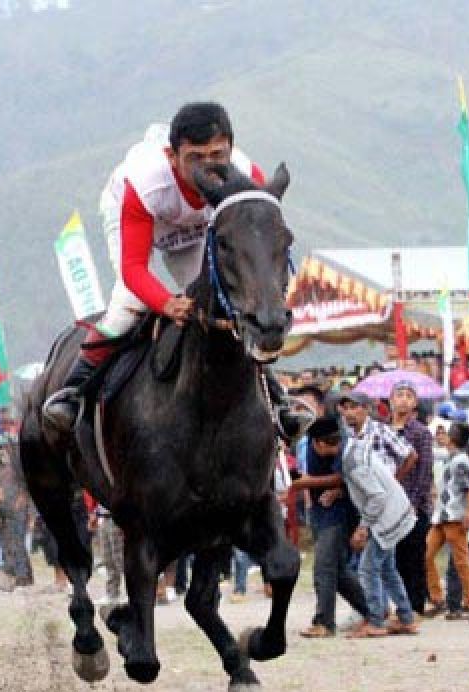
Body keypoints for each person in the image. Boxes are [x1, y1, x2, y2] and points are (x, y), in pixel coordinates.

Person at [42, 102, 310, 439]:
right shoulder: (145, 184)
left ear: (231, 147)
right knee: (128, 308)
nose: (209, 167)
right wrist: (165, 302)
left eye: (218, 154)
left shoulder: (246, 176)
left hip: (199, 229)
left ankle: (278, 400)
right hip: (145, 219)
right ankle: (73, 393)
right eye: (195, 158)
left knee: (225, 303)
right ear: (172, 156)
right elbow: (133, 268)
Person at [338, 394, 419, 638]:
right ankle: (405, 617)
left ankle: (375, 620)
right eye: (346, 408)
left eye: (355, 407)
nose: (349, 413)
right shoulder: (354, 443)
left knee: (367, 569)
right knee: (387, 568)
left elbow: (376, 495)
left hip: (384, 514)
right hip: (390, 510)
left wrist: (363, 527)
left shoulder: (357, 454)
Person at [293, 414, 371, 638]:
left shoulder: (342, 444)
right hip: (319, 511)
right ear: (316, 443)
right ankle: (373, 610)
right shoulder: (308, 442)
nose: (336, 447)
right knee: (339, 572)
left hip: (340, 512)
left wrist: (304, 483)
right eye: (330, 445)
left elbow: (341, 477)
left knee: (324, 567)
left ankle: (324, 622)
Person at [424, 423, 469, 620]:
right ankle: (438, 598)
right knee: (427, 554)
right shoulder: (450, 457)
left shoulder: (461, 461)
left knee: (461, 561)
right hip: (441, 516)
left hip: (454, 516)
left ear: (454, 438)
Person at [390, 381, 435, 615]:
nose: (404, 399)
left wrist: (413, 504)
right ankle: (399, 605)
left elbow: (425, 471)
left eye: (409, 396)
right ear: (391, 399)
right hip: (387, 505)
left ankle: (416, 606)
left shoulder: (420, 433)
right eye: (400, 395)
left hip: (414, 506)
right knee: (394, 557)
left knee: (414, 557)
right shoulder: (383, 429)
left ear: (415, 402)